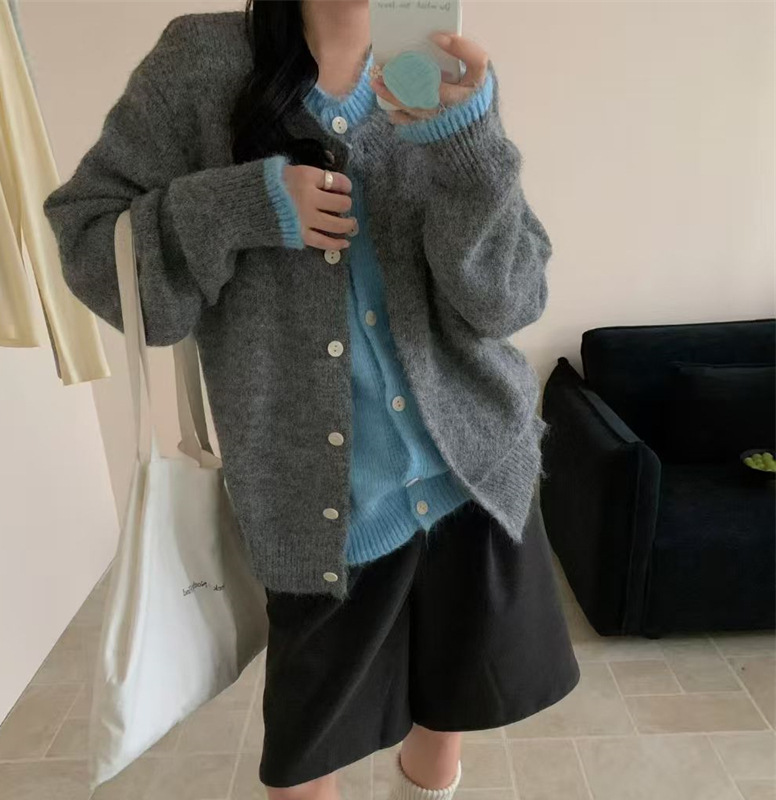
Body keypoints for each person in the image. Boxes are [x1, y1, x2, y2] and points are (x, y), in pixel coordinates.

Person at [43, 2, 579, 798]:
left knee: (445, 731)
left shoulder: (433, 73)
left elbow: (510, 301)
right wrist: (243, 205)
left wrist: (471, 150)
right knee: (304, 766)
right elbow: (90, 239)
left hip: (472, 475)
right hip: (322, 514)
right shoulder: (201, 62)